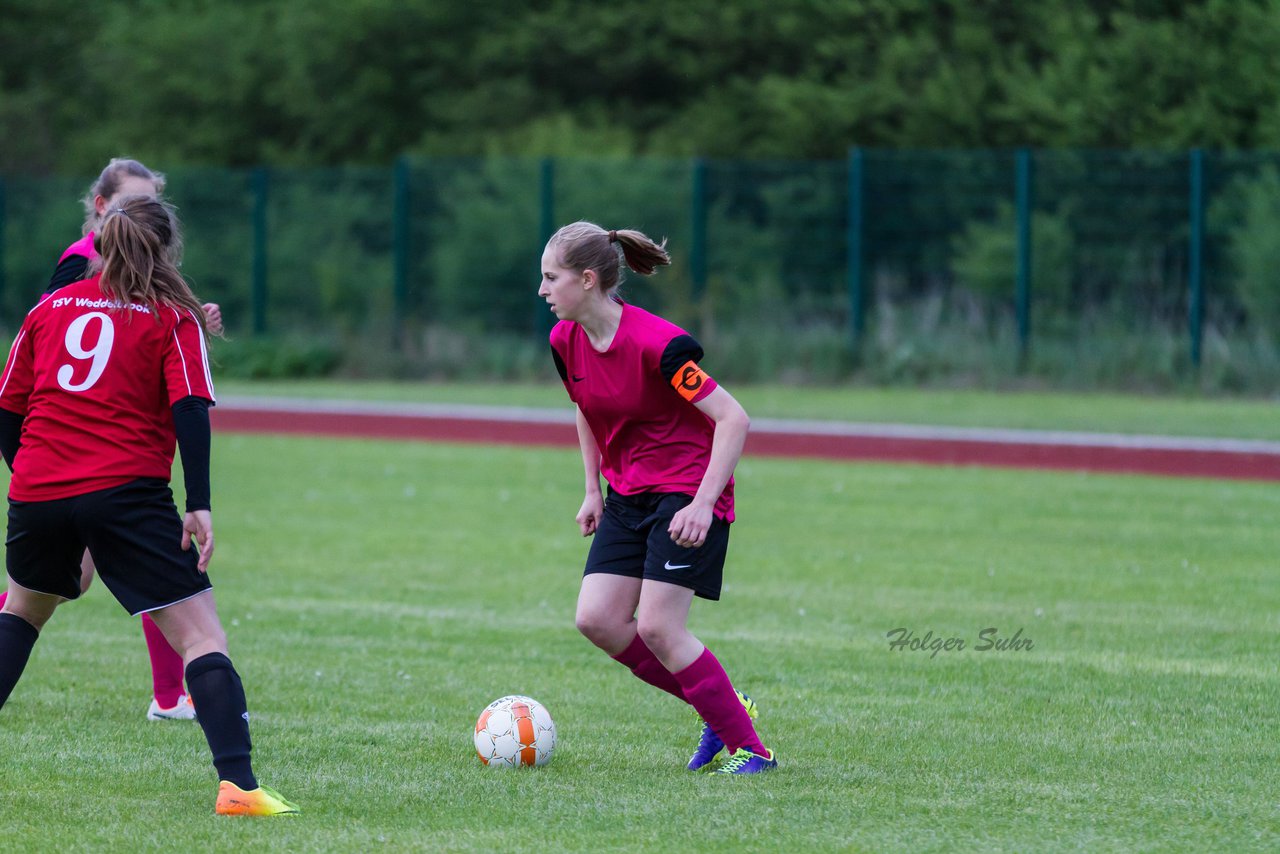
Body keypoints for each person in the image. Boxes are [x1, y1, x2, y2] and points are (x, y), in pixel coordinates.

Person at [0, 195, 297, 815]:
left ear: (100, 245)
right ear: (164, 252)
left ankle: (240, 789)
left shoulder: (47, 309)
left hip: (37, 491)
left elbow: (8, 410)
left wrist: (35, 480)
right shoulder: (173, 316)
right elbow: (190, 409)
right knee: (201, 637)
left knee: (21, 615)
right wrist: (201, 502)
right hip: (126, 492)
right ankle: (240, 790)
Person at [540, 221, 776, 774]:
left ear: (588, 279)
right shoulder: (565, 341)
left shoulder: (659, 345)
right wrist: (591, 488)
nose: (544, 290)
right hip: (627, 495)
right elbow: (584, 405)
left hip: (685, 491)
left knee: (657, 627)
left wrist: (701, 503)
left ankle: (753, 751)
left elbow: (732, 418)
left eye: (552, 278)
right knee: (597, 620)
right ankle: (722, 711)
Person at [0, 157, 222, 721]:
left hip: (65, 472)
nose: (143, 217)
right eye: (132, 205)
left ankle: (170, 696)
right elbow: (66, 335)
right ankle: (183, 710)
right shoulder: (81, 266)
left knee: (43, 598)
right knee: (108, 582)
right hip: (100, 464)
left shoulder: (138, 290)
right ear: (102, 211)